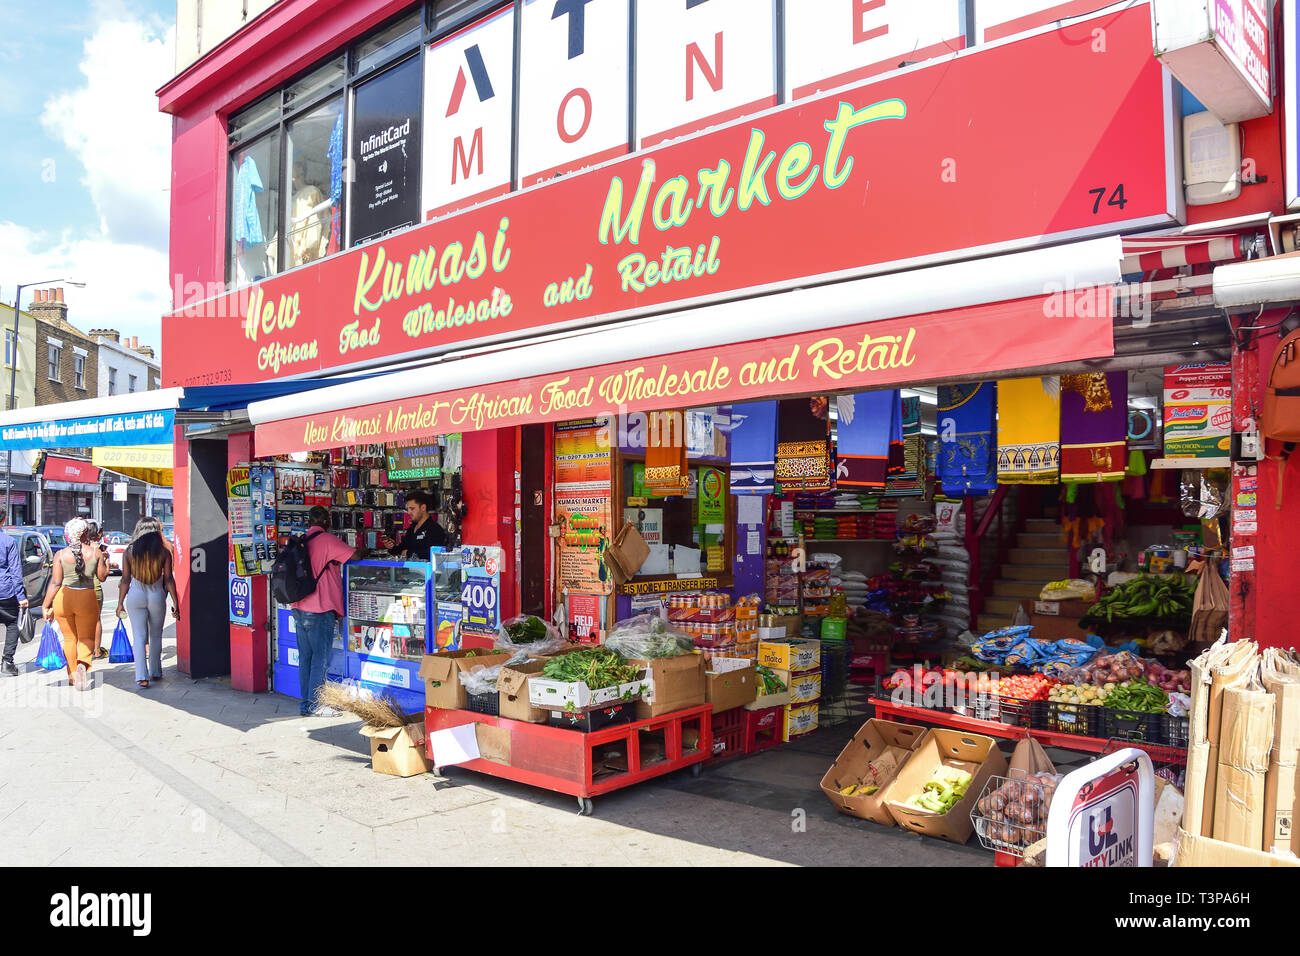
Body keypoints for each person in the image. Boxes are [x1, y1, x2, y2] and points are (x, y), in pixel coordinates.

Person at [290, 505, 356, 716]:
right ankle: (316, 705)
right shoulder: (327, 540)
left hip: (300, 607)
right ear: (327, 521)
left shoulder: (301, 540)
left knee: (306, 658)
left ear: (308, 522)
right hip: (320, 608)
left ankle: (306, 704)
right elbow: (352, 556)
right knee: (320, 659)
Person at [42, 517, 108, 690]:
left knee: (69, 638)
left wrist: (45, 605)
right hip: (87, 597)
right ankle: (83, 664)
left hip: (64, 599)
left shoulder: (60, 555)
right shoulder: (96, 553)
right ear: (86, 534)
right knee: (86, 638)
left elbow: (55, 583)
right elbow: (102, 577)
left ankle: (72, 676)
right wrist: (105, 560)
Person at [118, 517, 179, 689]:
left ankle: (141, 677)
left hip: (136, 594)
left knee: (139, 637)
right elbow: (168, 579)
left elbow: (125, 579)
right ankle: (155, 671)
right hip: (157, 595)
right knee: (156, 635)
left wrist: (120, 602)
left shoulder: (129, 552)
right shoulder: (163, 552)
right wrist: (175, 602)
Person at [382, 490, 447, 560]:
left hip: (427, 570)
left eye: (412, 509)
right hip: (409, 569)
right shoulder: (412, 528)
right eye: (408, 509)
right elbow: (401, 549)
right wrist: (391, 547)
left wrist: (408, 553)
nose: (409, 512)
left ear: (423, 508)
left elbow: (434, 553)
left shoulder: (434, 529)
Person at [0, 510, 27, 676]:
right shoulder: (8, 541)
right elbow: (15, 572)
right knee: (11, 624)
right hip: (5, 590)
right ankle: (7, 662)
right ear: (3, 520)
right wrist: (21, 597)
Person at [84, 521, 109, 659]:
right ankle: (97, 650)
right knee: (96, 619)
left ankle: (84, 648)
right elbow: (103, 576)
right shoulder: (99, 551)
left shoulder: (81, 548)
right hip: (95, 587)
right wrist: (107, 561)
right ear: (98, 533)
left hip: (81, 587)